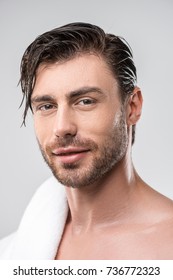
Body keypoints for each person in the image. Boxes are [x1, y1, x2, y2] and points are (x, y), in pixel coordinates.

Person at [0, 22, 173, 260]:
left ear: (132, 107)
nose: (62, 128)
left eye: (85, 101)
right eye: (47, 106)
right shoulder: (13, 253)